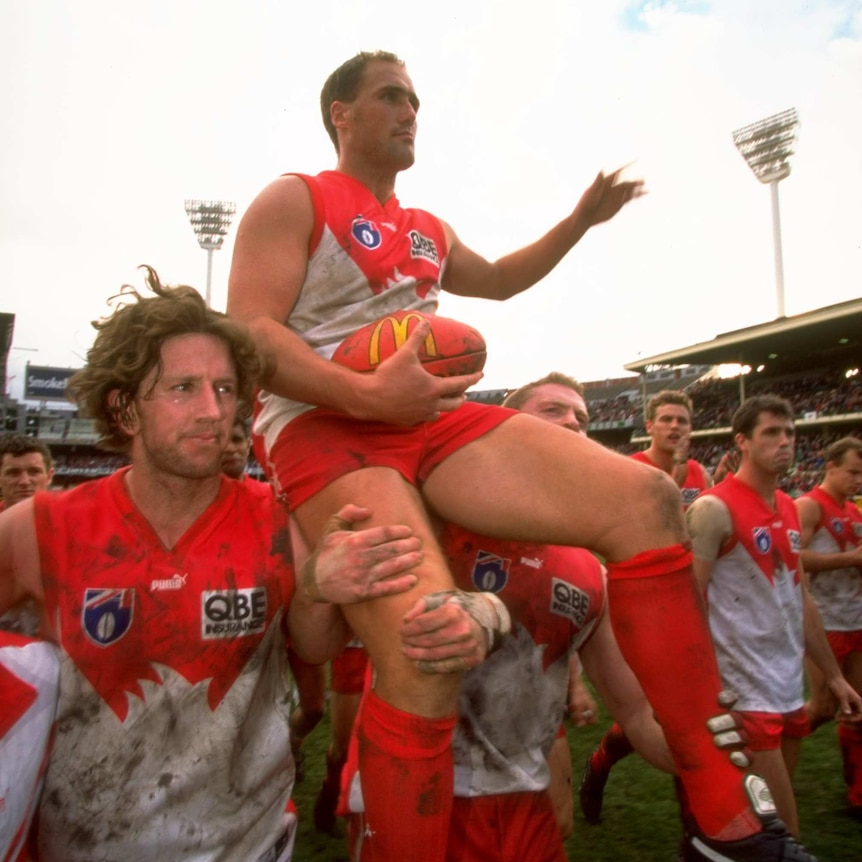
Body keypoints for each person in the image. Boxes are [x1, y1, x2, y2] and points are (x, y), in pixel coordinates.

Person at [227, 49, 812, 861]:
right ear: (341, 114)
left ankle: (722, 818)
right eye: (391, 97)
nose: (410, 112)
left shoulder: (428, 228)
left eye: (416, 100)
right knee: (431, 644)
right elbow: (251, 333)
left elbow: (498, 279)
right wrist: (364, 395)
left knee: (644, 501)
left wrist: (577, 222)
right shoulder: (294, 199)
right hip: (327, 421)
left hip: (428, 416)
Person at [0, 266, 435, 861]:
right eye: (183, 388)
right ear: (126, 410)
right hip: (83, 847)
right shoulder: (37, 530)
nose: (213, 410)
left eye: (226, 389)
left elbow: (314, 649)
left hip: (246, 844)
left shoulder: (275, 517)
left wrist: (315, 586)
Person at [684, 395, 862, 840]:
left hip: (786, 687)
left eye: (790, 433)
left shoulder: (787, 505)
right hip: (744, 694)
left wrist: (836, 678)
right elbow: (688, 603)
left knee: (757, 831)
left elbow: (800, 599)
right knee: (783, 833)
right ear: (742, 441)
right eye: (771, 433)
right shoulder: (713, 509)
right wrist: (697, 689)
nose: (785, 442)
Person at [580, 388, 714, 823]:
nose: (675, 427)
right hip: (637, 605)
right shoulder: (630, 469)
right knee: (655, 709)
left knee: (682, 713)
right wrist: (667, 488)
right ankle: (605, 761)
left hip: (687, 601)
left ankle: (604, 761)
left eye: (683, 421)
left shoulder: (699, 472)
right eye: (667, 420)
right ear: (650, 426)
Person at [794, 436, 862, 815]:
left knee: (856, 708)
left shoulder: (853, 511)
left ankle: (857, 796)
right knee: (821, 707)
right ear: (831, 466)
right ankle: (765, 754)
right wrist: (850, 560)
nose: (858, 479)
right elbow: (794, 557)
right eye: (852, 472)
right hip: (825, 621)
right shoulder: (808, 506)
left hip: (856, 618)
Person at [0, 435, 54, 512]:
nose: (25, 482)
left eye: (34, 472)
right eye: (13, 473)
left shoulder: (69, 520)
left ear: (49, 476)